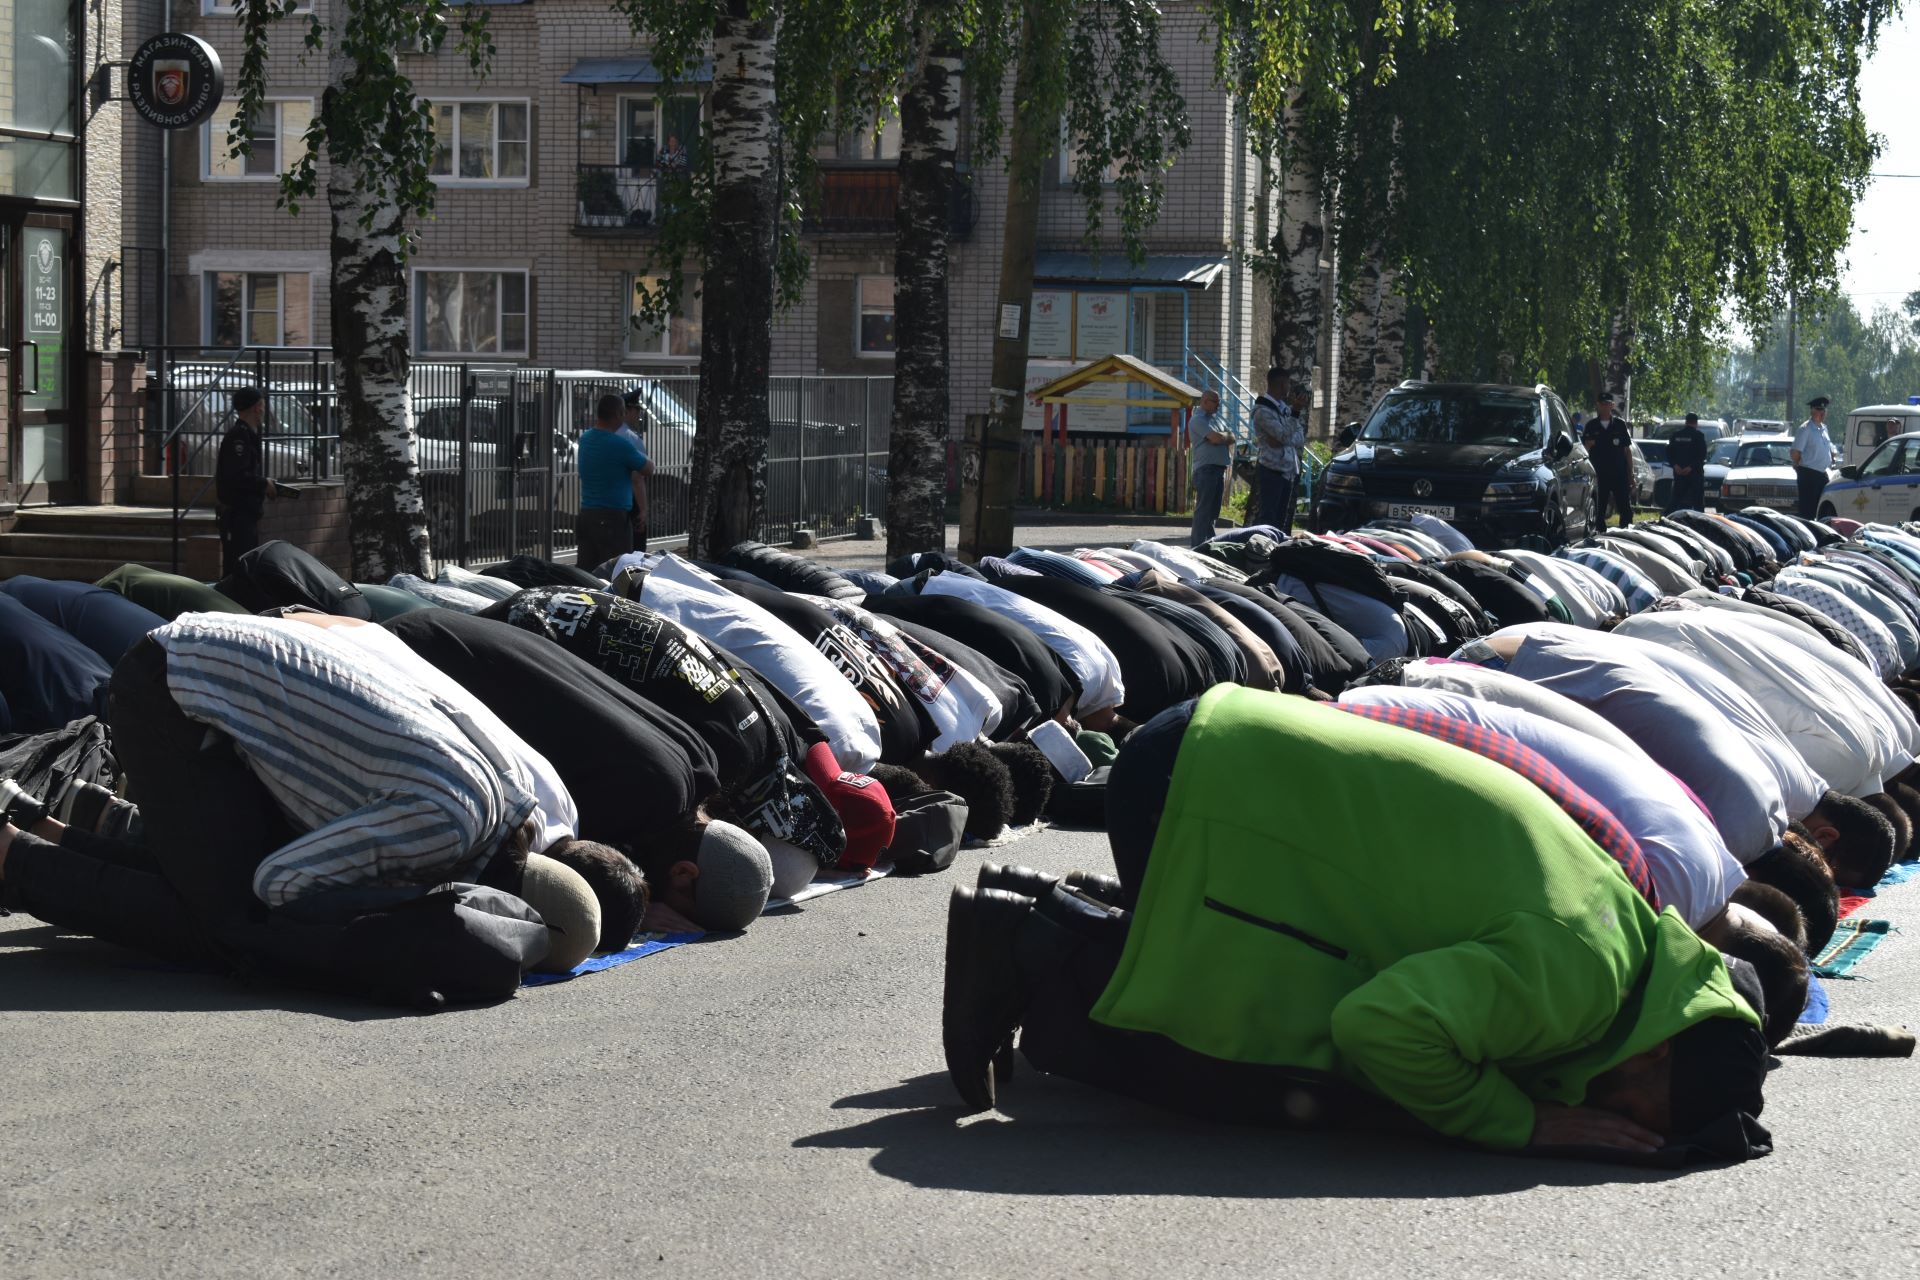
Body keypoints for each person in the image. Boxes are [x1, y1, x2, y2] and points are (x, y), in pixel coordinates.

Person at [944, 688, 1770, 1158]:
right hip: (1200, 789)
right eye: (1638, 1108)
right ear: (1659, 1046)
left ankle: (1041, 912)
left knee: (1270, 985)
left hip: (1218, 754)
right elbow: (1376, 1025)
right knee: (1271, 1072)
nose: (1617, 1116)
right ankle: (1020, 942)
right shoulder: (1577, 985)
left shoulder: (1628, 937)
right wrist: (1527, 1123)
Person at [0, 614, 643, 979]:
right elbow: (277, 885)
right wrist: (403, 907)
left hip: (205, 664)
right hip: (178, 690)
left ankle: (49, 831)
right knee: (226, 927)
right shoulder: (445, 828)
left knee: (221, 872)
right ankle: (12, 855)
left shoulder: (508, 801)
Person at [215, 386, 288, 578]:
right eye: (263, 405)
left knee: (245, 566)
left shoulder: (247, 435)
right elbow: (238, 476)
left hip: (245, 514)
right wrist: (264, 484)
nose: (264, 410)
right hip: (237, 515)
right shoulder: (239, 437)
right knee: (237, 568)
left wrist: (264, 483)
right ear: (257, 407)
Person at [575, 392, 651, 574]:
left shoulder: (585, 439)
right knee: (617, 573)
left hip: (587, 515)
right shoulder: (620, 444)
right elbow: (647, 469)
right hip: (613, 519)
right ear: (618, 414)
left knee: (587, 572)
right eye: (624, 413)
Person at [1250, 368, 1304, 532]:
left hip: (1287, 471)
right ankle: (1264, 553)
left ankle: (1277, 552)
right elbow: (1285, 436)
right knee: (1268, 520)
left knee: (1281, 520)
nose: (1289, 388)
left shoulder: (1284, 408)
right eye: (1288, 383)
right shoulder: (1263, 411)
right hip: (1272, 471)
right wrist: (1294, 416)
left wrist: (1284, 439)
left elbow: (1299, 437)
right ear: (1281, 385)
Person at [1187, 390, 1232, 548]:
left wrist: (1221, 437)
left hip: (1218, 470)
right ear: (1205, 401)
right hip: (1206, 470)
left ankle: (1209, 545)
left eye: (1219, 402)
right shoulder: (1198, 420)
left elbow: (1231, 437)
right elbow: (1216, 438)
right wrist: (1220, 437)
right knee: (1203, 512)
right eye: (1215, 402)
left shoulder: (1216, 419)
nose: (1218, 406)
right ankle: (1197, 547)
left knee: (1212, 513)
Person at [1586, 393, 1634, 529]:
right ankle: (1599, 534)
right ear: (1598, 405)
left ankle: (1626, 533)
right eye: (1602, 403)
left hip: (1619, 473)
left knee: (1625, 508)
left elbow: (1627, 451)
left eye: (1608, 403)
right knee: (1599, 508)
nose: (1605, 406)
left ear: (1612, 405)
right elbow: (1585, 451)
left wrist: (1631, 475)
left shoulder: (1620, 425)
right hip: (1599, 474)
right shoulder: (1591, 426)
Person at [620, 387, 653, 552]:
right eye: (636, 410)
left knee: (606, 557)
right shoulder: (631, 439)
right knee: (635, 555)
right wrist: (643, 510)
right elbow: (637, 478)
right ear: (626, 411)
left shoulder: (594, 436)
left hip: (599, 507)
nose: (638, 415)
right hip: (628, 503)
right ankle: (633, 579)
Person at [1792, 396, 1835, 520]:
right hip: (1809, 475)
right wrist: (1801, 467)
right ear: (1812, 411)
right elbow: (1795, 453)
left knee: (1823, 509)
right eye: (1819, 409)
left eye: (1824, 410)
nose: (1822, 413)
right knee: (1808, 512)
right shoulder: (1805, 429)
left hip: (1822, 474)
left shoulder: (1824, 428)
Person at [1667, 413, 1709, 513]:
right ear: (1696, 423)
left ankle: (1666, 518)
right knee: (1698, 502)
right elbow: (1702, 455)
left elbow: (1669, 452)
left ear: (1686, 422)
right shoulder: (1698, 436)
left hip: (1679, 474)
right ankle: (1700, 523)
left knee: (1676, 500)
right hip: (1694, 474)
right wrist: (1690, 467)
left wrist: (1675, 465)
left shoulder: (1676, 435)